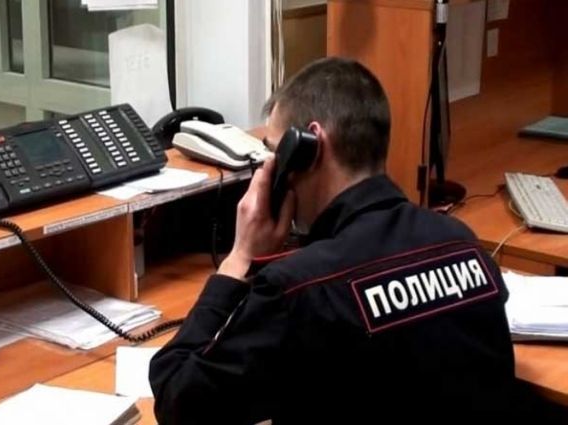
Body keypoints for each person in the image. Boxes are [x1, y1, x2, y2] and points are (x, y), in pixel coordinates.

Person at [149, 57, 563, 424]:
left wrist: (238, 260)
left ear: (308, 147)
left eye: (275, 152)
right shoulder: (463, 244)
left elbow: (178, 400)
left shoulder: (299, 289)